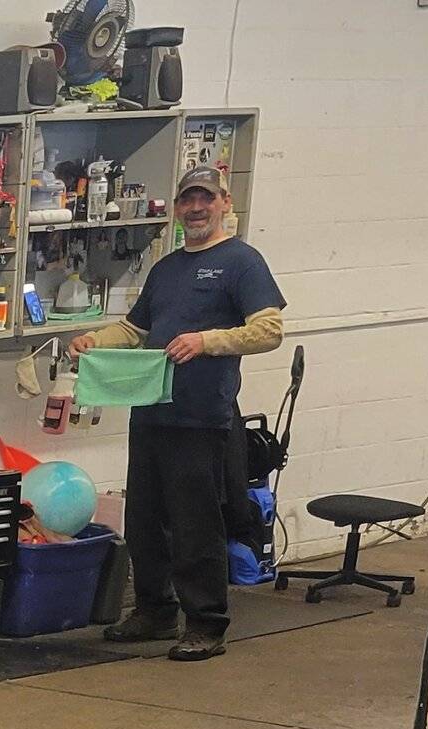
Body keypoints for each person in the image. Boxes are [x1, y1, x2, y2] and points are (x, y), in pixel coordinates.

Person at [71, 166, 286, 661]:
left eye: (204, 199)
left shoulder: (241, 262)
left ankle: (207, 623)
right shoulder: (166, 269)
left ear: (224, 203)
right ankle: (154, 611)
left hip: (202, 417)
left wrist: (207, 341)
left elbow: (269, 330)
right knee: (145, 520)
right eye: (188, 199)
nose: (195, 208)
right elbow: (133, 330)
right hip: (150, 411)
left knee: (196, 524)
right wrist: (92, 340)